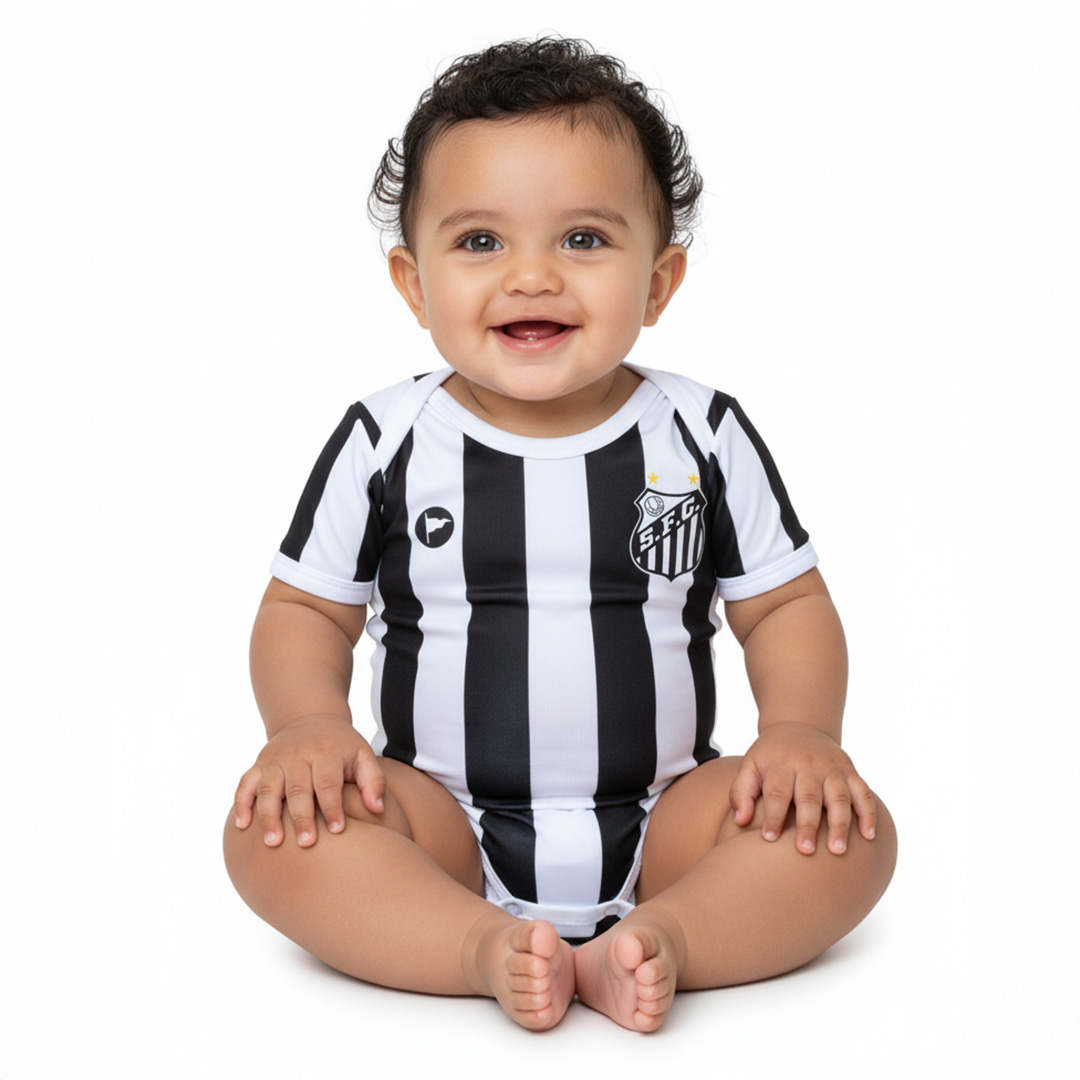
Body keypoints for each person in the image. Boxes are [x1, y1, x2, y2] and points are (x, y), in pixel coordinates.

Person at [223, 36, 897, 1033]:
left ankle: (667, 936)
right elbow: (304, 613)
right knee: (271, 837)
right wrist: (305, 729)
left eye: (583, 239)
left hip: (669, 821)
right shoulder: (386, 439)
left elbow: (785, 604)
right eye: (480, 242)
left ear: (658, 281)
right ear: (413, 283)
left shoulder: (701, 432)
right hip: (438, 826)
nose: (532, 276)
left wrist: (802, 736)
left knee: (851, 835)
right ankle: (475, 946)